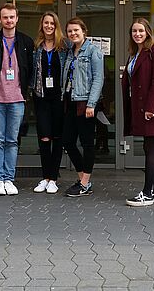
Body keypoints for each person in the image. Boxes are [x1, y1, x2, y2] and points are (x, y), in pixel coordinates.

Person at [121, 18, 154, 207]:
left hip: (152, 108)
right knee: (151, 147)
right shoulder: (134, 53)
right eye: (134, 31)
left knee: (150, 147)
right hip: (140, 108)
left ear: (148, 32)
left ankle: (147, 193)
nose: (137, 34)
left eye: (141, 30)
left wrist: (150, 108)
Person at [0, 4, 35, 196]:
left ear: (17, 19)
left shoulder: (26, 41)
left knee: (12, 141)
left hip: (17, 99)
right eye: (5, 17)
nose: (9, 20)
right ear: (0, 19)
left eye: (12, 17)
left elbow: (31, 69)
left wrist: (27, 92)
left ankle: (9, 178)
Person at [61, 17, 104, 197]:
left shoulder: (93, 51)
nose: (73, 34)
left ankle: (85, 183)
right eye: (70, 31)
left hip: (86, 103)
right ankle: (83, 180)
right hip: (71, 101)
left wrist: (91, 104)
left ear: (84, 31)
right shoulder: (70, 51)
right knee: (67, 141)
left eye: (76, 30)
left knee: (87, 143)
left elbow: (98, 79)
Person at [30, 11, 67, 194]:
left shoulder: (64, 46)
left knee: (57, 138)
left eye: (52, 23)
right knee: (44, 137)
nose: (49, 26)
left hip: (59, 98)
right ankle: (45, 177)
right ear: (42, 25)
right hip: (41, 97)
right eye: (46, 23)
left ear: (56, 25)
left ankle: (53, 179)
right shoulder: (36, 46)